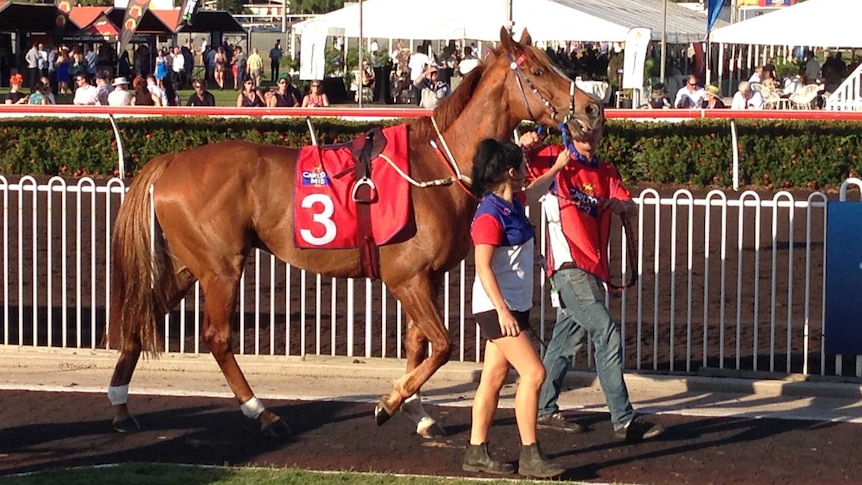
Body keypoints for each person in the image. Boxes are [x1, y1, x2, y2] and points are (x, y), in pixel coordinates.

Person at [519, 124, 665, 444]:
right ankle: (623, 419)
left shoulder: (606, 171)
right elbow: (518, 170)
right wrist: (525, 144)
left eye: (593, 132)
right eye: (581, 131)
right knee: (606, 332)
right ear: (569, 133)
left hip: (591, 270)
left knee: (564, 341)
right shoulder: (554, 159)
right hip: (569, 266)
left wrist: (622, 206)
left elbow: (630, 206)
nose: (588, 137)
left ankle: (543, 408)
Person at [463, 138, 568, 479]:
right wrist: (504, 312)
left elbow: (536, 189)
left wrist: (559, 166)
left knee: (493, 377)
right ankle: (530, 456)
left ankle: (476, 452)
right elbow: (483, 267)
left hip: (512, 307)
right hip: (498, 309)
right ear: (510, 172)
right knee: (535, 374)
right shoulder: (490, 215)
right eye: (523, 167)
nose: (527, 172)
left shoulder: (513, 203)